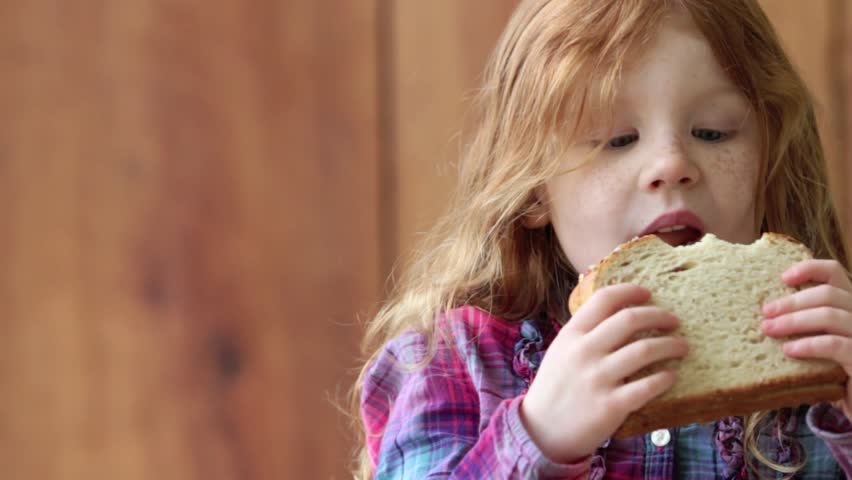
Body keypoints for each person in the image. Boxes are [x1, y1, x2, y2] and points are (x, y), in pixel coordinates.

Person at [351, 0, 852, 478]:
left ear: (770, 162)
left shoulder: (819, 358)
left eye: (714, 132)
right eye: (617, 139)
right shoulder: (452, 362)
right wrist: (540, 436)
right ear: (533, 192)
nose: (671, 163)